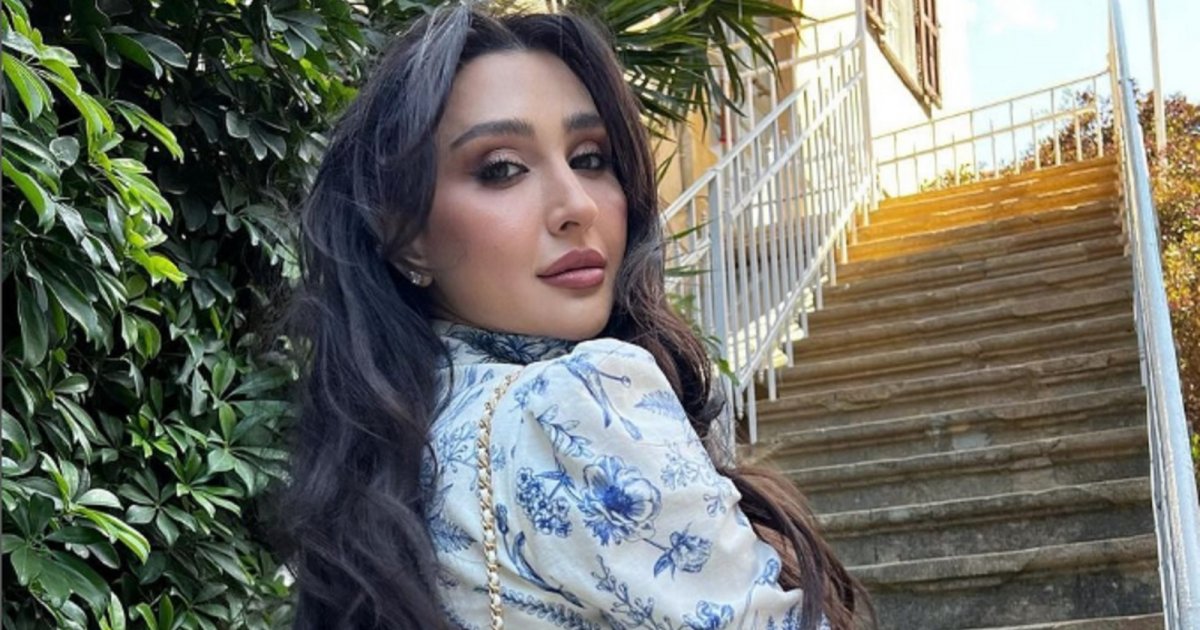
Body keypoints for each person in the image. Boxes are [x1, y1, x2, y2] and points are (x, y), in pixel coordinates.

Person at [281, 5, 869, 629]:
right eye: (501, 169)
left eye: (589, 158)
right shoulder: (578, 401)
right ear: (408, 238)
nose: (576, 205)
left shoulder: (396, 449)